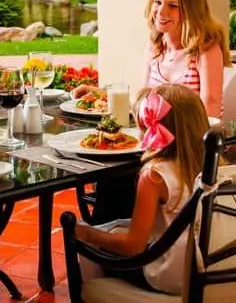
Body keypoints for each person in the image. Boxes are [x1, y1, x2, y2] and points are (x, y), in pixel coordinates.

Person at [75, 83, 208, 295]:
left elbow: (134, 246)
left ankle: (99, 294)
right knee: (113, 227)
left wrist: (87, 235)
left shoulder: (155, 175)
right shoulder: (218, 168)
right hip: (205, 273)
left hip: (168, 276)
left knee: (85, 238)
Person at [75, 0, 231, 118]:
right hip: (158, 140)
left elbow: (211, 117)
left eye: (173, 5)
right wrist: (102, 95)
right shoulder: (155, 46)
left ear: (192, 10)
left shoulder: (206, 50)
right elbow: (143, 105)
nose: (162, 12)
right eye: (158, 2)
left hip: (196, 141)